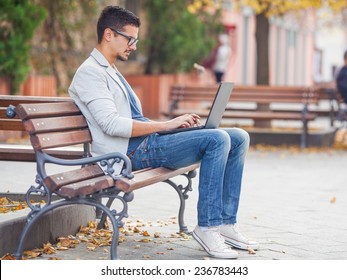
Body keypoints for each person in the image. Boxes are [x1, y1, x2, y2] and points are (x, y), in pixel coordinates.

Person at [69, 5, 258, 259]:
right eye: (130, 39)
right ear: (108, 34)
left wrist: (173, 126)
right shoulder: (90, 73)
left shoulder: (110, 69)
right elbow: (112, 124)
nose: (133, 46)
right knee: (217, 139)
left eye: (135, 40)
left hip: (146, 143)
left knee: (238, 137)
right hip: (128, 153)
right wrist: (165, 125)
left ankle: (225, 223)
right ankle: (208, 227)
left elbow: (131, 119)